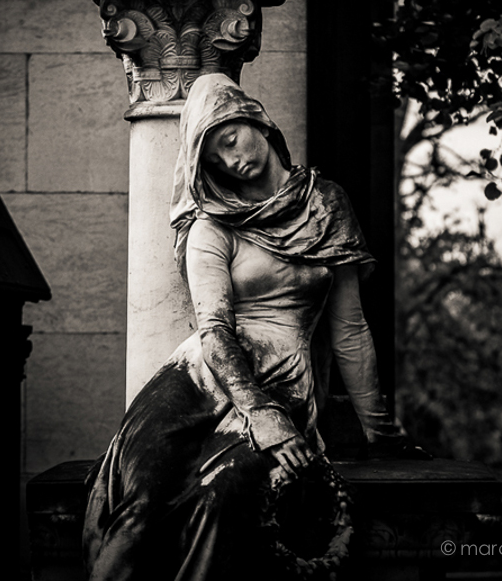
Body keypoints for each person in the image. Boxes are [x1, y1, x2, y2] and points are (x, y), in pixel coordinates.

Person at [83, 73, 416, 580]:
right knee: (138, 502)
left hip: (283, 376)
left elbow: (350, 329)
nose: (234, 158)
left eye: (232, 137)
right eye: (216, 155)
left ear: (256, 120)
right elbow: (214, 330)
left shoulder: (326, 204)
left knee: (219, 497)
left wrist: (380, 431)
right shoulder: (211, 225)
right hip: (199, 376)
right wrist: (257, 411)